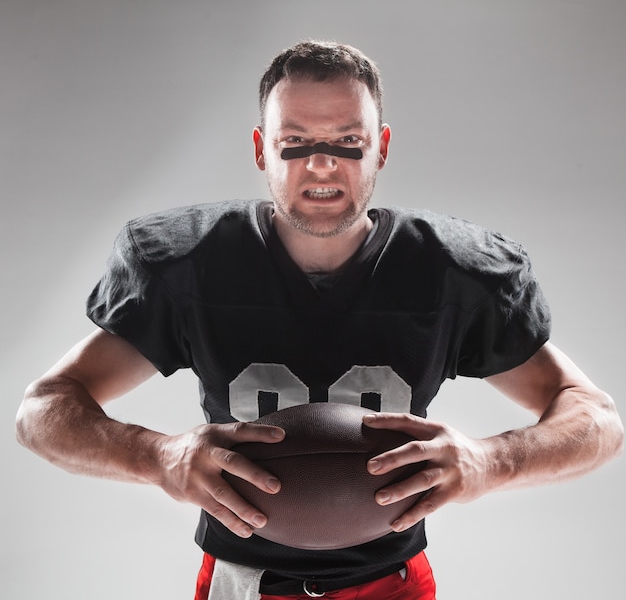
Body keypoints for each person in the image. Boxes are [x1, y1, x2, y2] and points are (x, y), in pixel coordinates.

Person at [16, 40, 623, 600]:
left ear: (381, 146)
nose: (322, 164)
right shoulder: (195, 264)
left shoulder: (447, 271)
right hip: (242, 580)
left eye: (346, 143)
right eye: (296, 143)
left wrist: (494, 460)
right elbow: (43, 409)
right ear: (261, 149)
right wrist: (157, 455)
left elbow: (595, 417)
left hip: (393, 581)